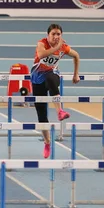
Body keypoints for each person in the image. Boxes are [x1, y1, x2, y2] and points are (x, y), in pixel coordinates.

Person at [31, 23, 80, 158]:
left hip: (51, 75)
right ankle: (47, 142)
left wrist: (75, 74)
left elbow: (76, 56)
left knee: (51, 79)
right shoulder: (42, 43)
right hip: (37, 79)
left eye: (59, 34)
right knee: (41, 115)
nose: (56, 36)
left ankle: (60, 111)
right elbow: (41, 55)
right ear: (48, 35)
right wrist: (57, 47)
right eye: (53, 34)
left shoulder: (63, 47)